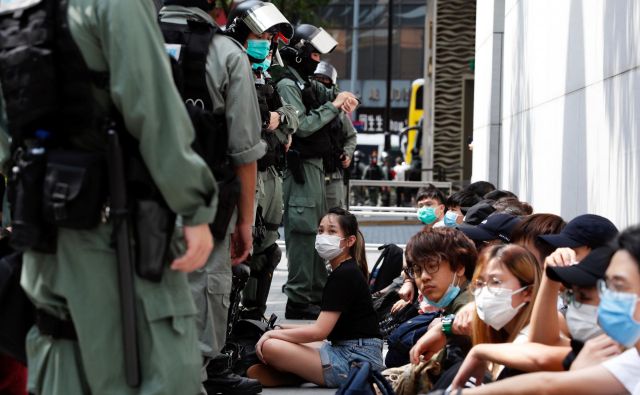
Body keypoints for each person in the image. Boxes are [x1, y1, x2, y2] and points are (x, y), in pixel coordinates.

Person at [0, 0, 217, 393]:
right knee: (155, 369)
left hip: (45, 232)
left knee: (61, 350)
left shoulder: (17, 7)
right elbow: (153, 109)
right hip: (116, 234)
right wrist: (196, 207)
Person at [159, 1, 267, 393]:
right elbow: (244, 152)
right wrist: (244, 222)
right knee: (201, 309)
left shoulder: (130, 41)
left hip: (132, 205)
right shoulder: (225, 54)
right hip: (204, 207)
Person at [458, 226, 640, 395]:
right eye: (605, 286)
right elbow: (543, 368)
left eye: (618, 286)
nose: (606, 298)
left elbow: (545, 376)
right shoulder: (622, 356)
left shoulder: (613, 354)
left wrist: (575, 376)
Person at [272, 23, 359, 319]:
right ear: (299, 53)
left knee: (315, 233)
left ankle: (315, 293)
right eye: (313, 53)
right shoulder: (287, 84)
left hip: (315, 168)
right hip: (299, 168)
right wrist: (335, 104)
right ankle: (298, 297)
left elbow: (327, 92)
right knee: (303, 232)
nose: (316, 60)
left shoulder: (304, 81)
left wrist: (341, 95)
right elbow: (305, 126)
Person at [247, 208, 383, 388]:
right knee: (280, 338)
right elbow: (323, 326)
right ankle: (303, 372)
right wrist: (281, 327)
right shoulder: (345, 270)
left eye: (332, 231)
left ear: (350, 241)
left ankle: (302, 373)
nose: (323, 236)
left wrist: (272, 333)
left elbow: (319, 332)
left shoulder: (344, 275)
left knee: (270, 346)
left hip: (356, 360)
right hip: (352, 351)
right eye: (320, 231)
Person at [223, 0, 298, 322]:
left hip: (269, 172)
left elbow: (292, 117)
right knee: (239, 255)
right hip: (242, 170)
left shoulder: (264, 73)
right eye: (260, 36)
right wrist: (269, 120)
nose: (266, 43)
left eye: (269, 38)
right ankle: (226, 325)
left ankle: (251, 319)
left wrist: (278, 119)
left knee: (267, 252)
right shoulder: (227, 65)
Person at [387, 229, 477, 391]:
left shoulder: (468, 304)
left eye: (432, 266)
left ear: (459, 268)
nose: (424, 277)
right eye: (417, 270)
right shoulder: (459, 300)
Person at [450, 244, 541, 389]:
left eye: (496, 282)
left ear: (528, 292)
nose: (484, 291)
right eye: (479, 283)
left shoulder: (534, 340)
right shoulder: (495, 331)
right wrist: (443, 328)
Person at [311, 61, 357, 210]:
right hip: (308, 176)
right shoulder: (305, 104)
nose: (321, 84)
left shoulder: (340, 111)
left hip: (333, 177)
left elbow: (351, 136)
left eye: (325, 80)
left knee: (336, 221)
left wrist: (347, 154)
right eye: (317, 79)